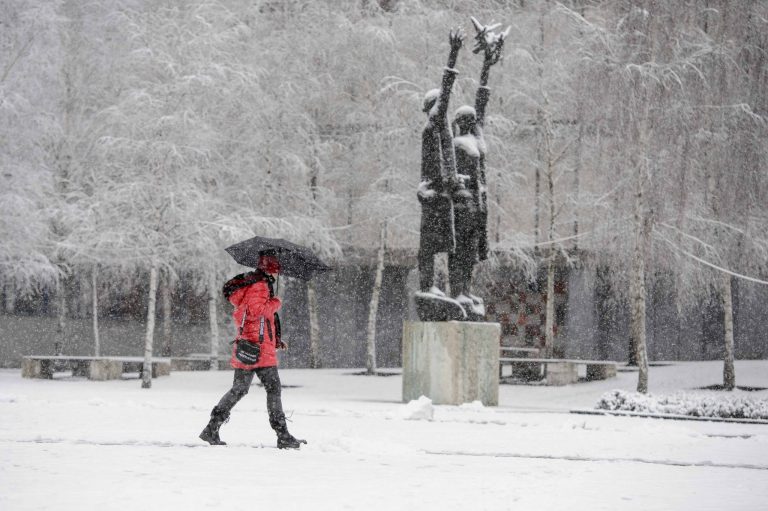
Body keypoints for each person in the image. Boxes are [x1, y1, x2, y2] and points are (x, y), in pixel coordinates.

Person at [199, 253, 306, 449]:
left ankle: (211, 428)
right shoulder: (260, 286)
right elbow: (256, 312)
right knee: (273, 389)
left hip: (250, 346)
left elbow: (254, 318)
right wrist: (276, 303)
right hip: (259, 350)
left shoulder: (254, 284)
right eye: (277, 269)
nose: (278, 273)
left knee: (239, 390)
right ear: (272, 270)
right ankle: (282, 435)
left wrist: (275, 340)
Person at [448, 25, 504, 319]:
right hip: (463, 208)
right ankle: (457, 290)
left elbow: (482, 100)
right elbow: (452, 178)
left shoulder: (477, 140)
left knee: (471, 254)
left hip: (479, 208)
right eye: (467, 120)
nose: (470, 122)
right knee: (459, 254)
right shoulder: (456, 145)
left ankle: (465, 289)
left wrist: (486, 67)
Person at [417, 28, 464, 295]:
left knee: (441, 246)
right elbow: (446, 91)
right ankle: (429, 287)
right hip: (433, 193)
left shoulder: (443, 129)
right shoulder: (435, 124)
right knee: (429, 247)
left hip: (438, 194)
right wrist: (453, 54)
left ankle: (441, 288)